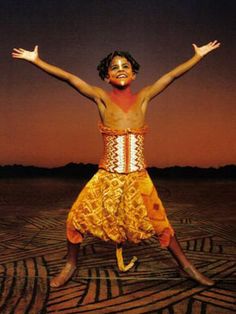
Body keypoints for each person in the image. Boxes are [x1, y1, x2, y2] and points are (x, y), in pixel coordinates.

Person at [12, 40, 220, 288]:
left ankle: (188, 268)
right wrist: (37, 61)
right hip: (107, 176)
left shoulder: (144, 97)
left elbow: (172, 75)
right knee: (75, 219)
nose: (120, 69)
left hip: (138, 178)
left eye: (126, 66)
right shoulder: (100, 98)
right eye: (114, 67)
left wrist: (197, 56)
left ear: (134, 73)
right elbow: (69, 78)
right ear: (106, 77)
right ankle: (70, 264)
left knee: (160, 224)